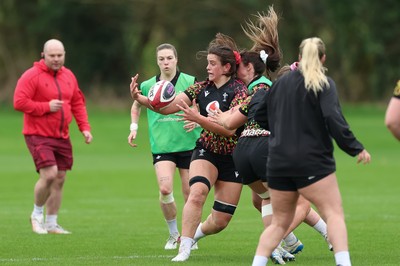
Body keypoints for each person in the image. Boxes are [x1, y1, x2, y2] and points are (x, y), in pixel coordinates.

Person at [209, 7, 330, 263]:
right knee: (301, 203)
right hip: (266, 147)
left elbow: (231, 121)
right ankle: (275, 243)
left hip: (243, 152)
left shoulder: (256, 89)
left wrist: (208, 117)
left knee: (262, 199)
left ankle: (294, 241)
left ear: (251, 69)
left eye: (238, 66)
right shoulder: (263, 88)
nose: (234, 69)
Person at [250, 37, 371, 266]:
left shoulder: (280, 84)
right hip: (312, 162)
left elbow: (259, 115)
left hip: (278, 163)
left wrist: (280, 132)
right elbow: (334, 120)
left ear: (299, 58)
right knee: (333, 214)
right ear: (323, 58)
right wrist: (355, 148)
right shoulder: (324, 84)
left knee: (278, 224)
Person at [130, 33, 248, 262]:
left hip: (233, 156)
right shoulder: (200, 88)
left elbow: (229, 130)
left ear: (226, 67)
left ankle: (195, 235)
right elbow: (167, 108)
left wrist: (198, 118)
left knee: (220, 221)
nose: (207, 67)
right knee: (197, 193)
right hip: (206, 150)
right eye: (207, 63)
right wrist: (140, 98)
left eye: (212, 63)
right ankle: (183, 247)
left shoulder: (240, 92)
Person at [13, 39, 93, 234]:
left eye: (60, 55)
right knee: (49, 174)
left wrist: (84, 128)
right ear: (44, 55)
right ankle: (36, 215)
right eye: (52, 56)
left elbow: (77, 103)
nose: (56, 59)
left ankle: (51, 223)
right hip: (37, 134)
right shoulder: (31, 76)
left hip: (61, 135)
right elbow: (19, 101)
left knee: (59, 178)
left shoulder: (69, 76)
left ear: (64, 54)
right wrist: (45, 107)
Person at [127, 43, 201, 250]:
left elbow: (200, 106)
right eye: (161, 59)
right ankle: (173, 234)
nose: (166, 62)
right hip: (162, 146)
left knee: (190, 193)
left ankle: (189, 237)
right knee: (165, 188)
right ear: (157, 61)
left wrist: (197, 120)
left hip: (189, 144)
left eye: (169, 58)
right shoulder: (148, 85)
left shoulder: (190, 81)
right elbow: (136, 105)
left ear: (176, 59)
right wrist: (133, 127)